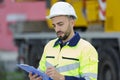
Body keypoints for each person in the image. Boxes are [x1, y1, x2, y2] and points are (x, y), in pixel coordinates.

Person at [29, 1, 98, 80]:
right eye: (54, 25)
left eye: (60, 24)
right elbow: (41, 72)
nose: (57, 29)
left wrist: (62, 78)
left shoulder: (86, 49)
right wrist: (36, 78)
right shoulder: (49, 46)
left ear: (72, 22)